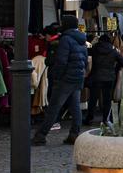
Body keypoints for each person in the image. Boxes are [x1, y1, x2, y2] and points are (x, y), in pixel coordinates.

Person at [35, 15, 88, 146]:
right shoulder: (82, 40)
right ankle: (74, 134)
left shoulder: (65, 39)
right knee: (75, 107)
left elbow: (61, 61)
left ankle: (41, 135)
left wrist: (57, 76)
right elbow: (85, 61)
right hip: (77, 77)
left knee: (54, 107)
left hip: (65, 78)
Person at [88, 33, 123, 126]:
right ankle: (106, 119)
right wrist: (115, 67)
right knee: (107, 99)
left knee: (93, 99)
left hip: (96, 77)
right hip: (109, 78)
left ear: (100, 41)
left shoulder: (94, 49)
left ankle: (89, 118)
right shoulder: (114, 51)